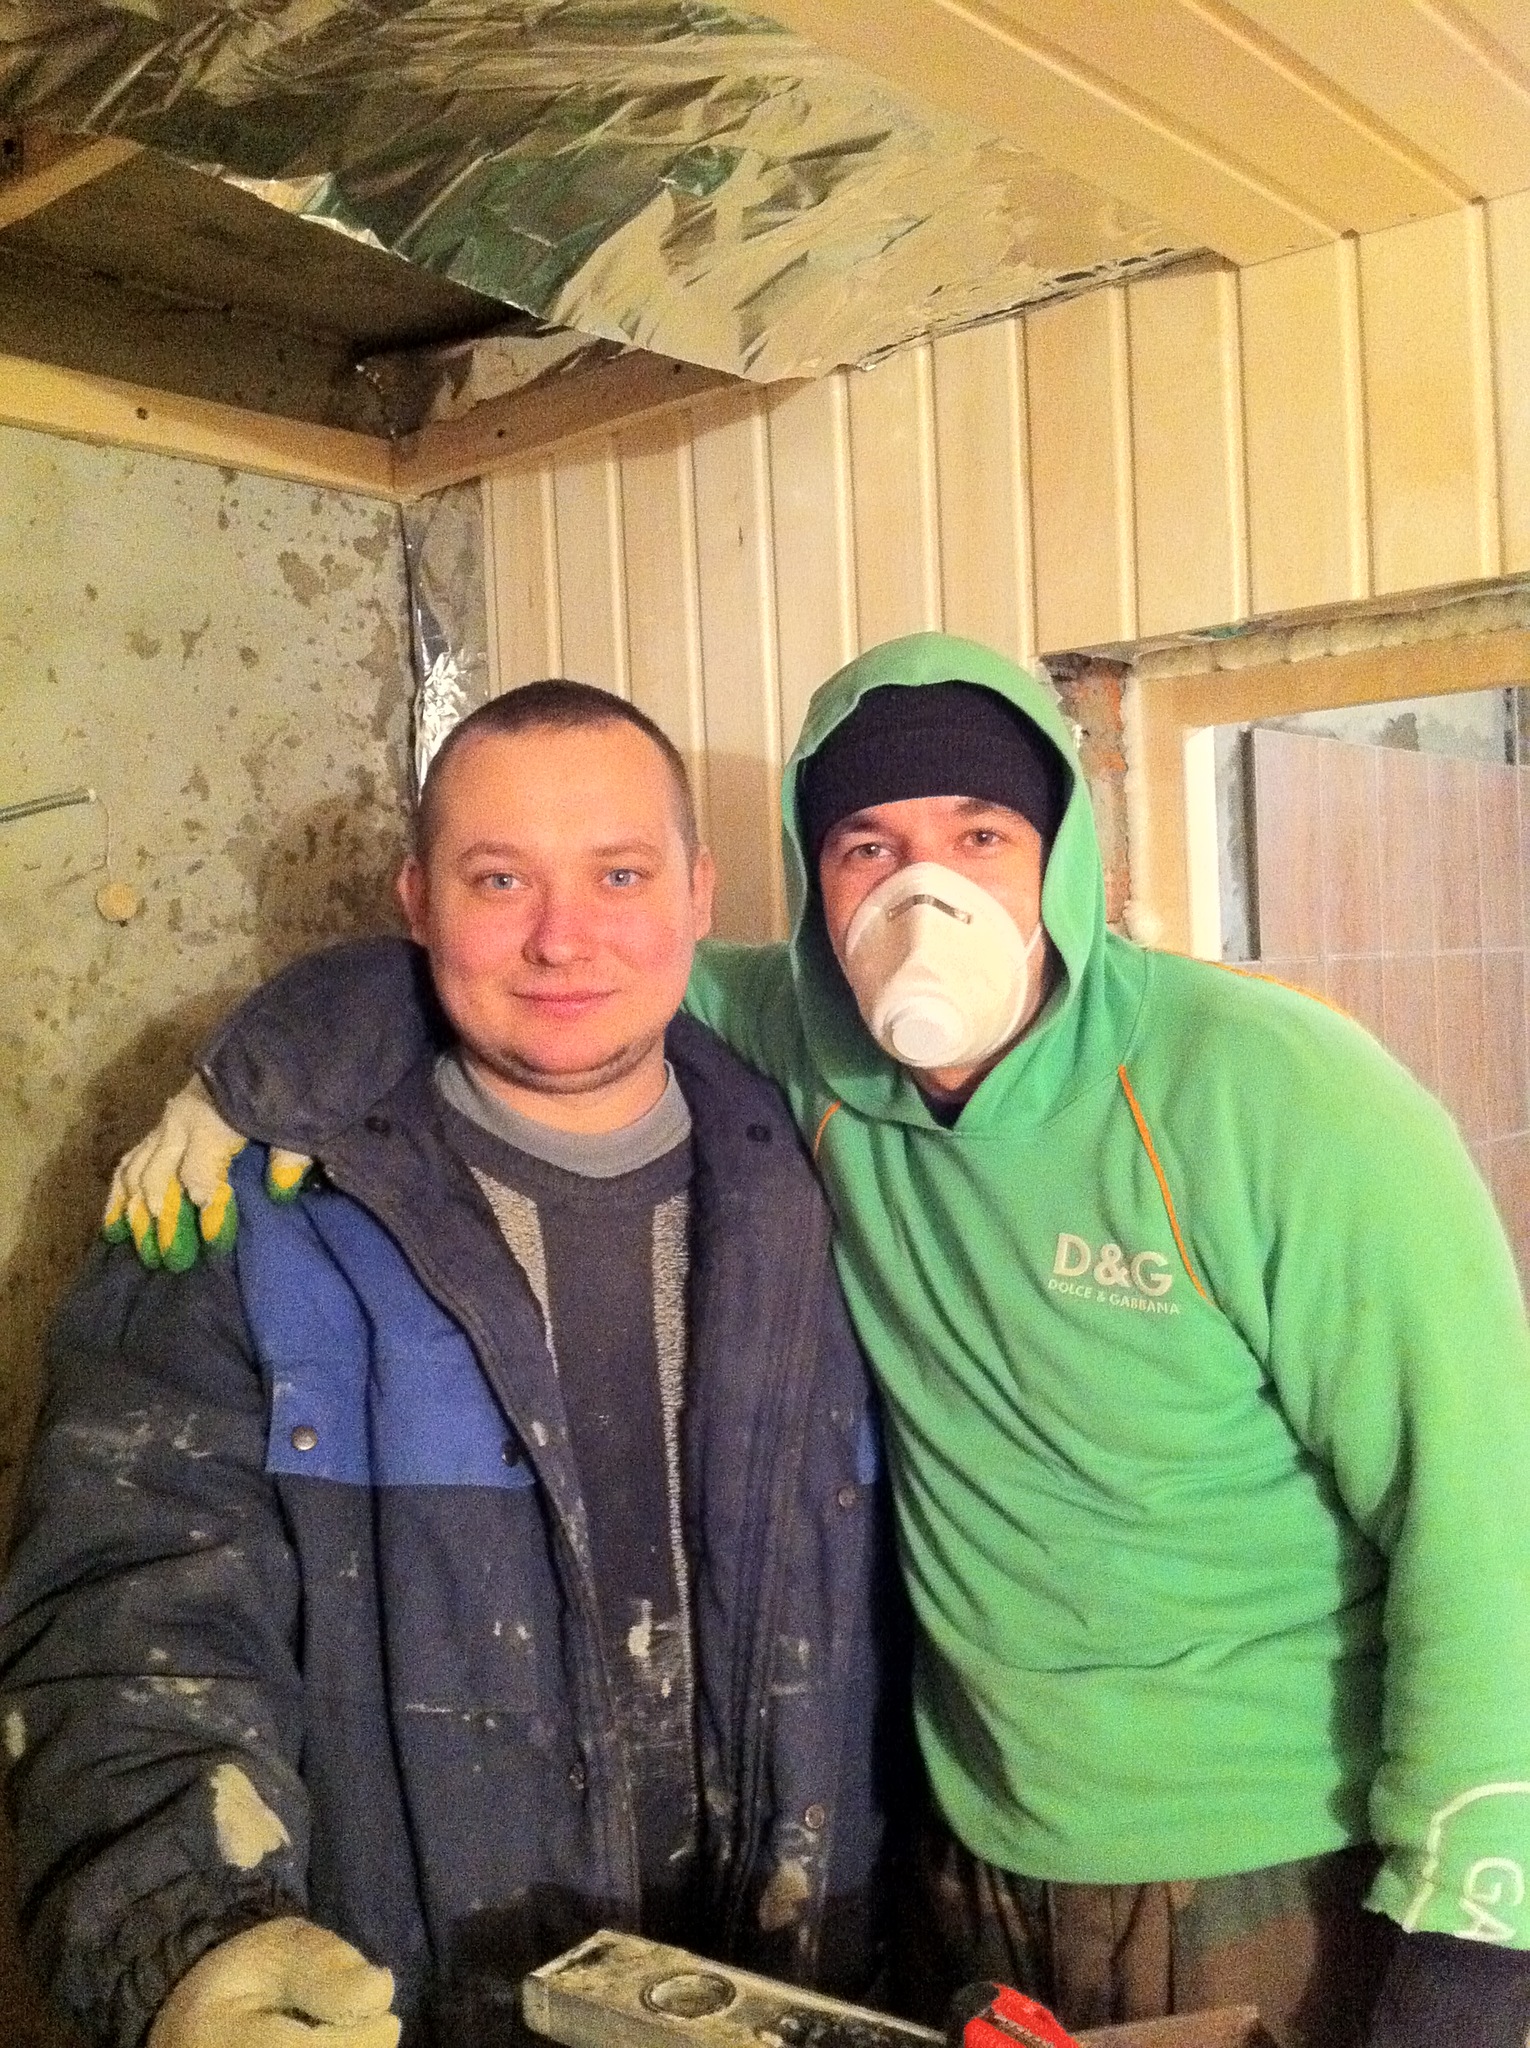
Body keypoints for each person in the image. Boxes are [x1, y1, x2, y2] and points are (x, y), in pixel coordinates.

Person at [85, 632, 1530, 2047]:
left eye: (979, 837)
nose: (922, 897)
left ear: (1064, 859)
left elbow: (1484, 1508)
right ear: (807, 879)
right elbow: (542, 973)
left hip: (1266, 1858)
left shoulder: (1277, 1095)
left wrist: (1476, 1932)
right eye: (865, 848)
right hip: (965, 1854)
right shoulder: (808, 1052)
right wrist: (245, 1080)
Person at [0, 683, 907, 2048]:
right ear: (417, 904)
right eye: (500, 880)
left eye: (619, 874)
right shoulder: (241, 1222)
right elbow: (126, 1628)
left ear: (700, 893)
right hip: (406, 2013)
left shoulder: (844, 1189)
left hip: (802, 1993)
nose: (561, 937)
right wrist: (192, 1948)